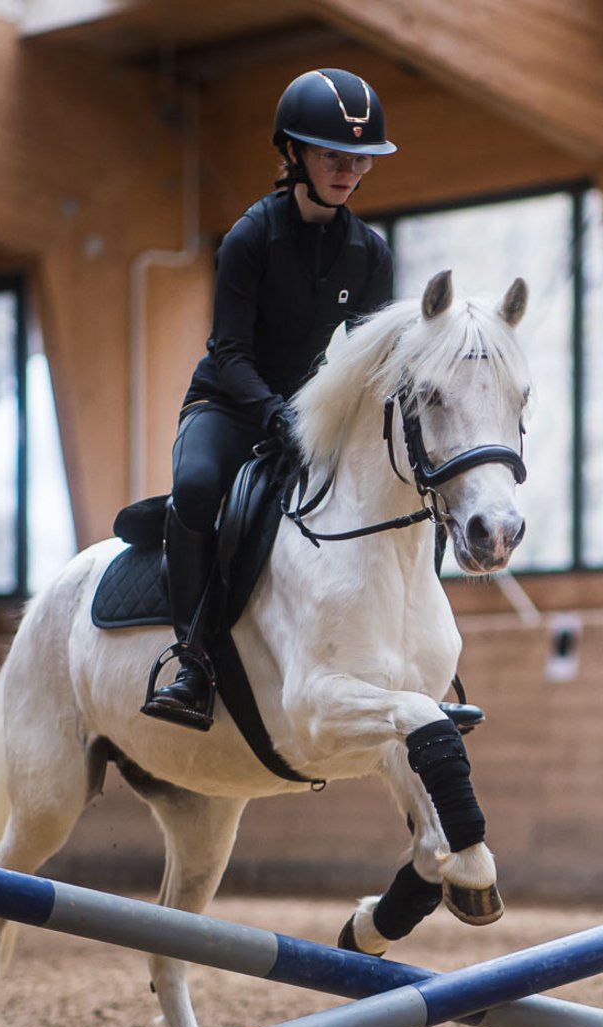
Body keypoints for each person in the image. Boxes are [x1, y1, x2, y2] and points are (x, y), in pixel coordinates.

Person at [145, 68, 399, 730]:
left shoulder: (369, 252)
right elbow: (228, 353)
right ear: (294, 154)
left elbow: (369, 357)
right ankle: (192, 662)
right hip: (228, 406)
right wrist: (277, 417)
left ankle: (410, 651)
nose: (348, 170)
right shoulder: (250, 237)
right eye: (332, 155)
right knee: (199, 487)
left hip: (306, 411)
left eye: (359, 159)